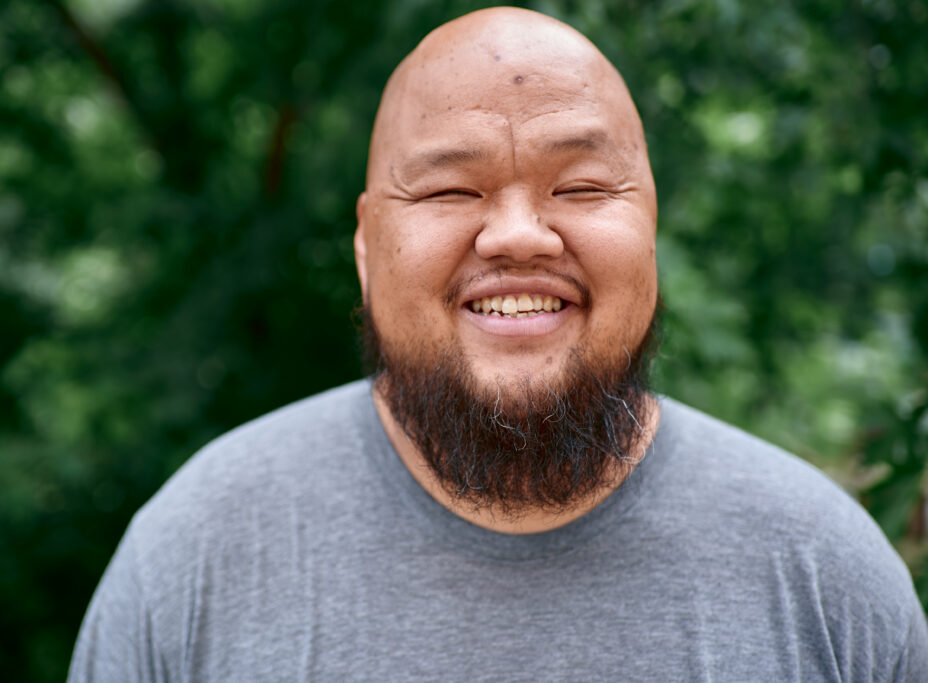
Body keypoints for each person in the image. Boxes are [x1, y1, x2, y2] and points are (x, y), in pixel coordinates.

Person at [68, 7, 927, 681]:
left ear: (651, 231)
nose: (519, 235)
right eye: (449, 189)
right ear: (368, 249)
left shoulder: (823, 573)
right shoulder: (193, 556)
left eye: (582, 184)